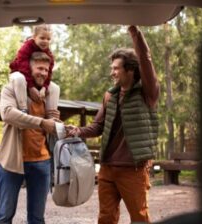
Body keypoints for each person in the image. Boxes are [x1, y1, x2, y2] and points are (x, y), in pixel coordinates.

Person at [67, 25, 160, 223]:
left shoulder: (147, 93)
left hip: (133, 169)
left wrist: (135, 34)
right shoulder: (110, 95)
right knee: (106, 218)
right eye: (112, 69)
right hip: (108, 167)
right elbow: (98, 126)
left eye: (116, 68)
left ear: (130, 70)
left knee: (139, 218)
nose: (112, 73)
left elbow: (146, 60)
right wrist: (78, 131)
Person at [0, 51, 60, 224]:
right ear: (29, 68)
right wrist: (41, 122)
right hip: (12, 161)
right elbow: (8, 114)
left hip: (42, 161)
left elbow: (51, 127)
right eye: (39, 68)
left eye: (46, 70)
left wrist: (57, 123)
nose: (43, 73)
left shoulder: (48, 94)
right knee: (4, 216)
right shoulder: (10, 89)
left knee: (37, 219)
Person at [9, 24, 58, 117]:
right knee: (20, 79)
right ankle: (23, 110)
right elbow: (23, 67)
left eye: (48, 39)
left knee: (55, 88)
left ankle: (52, 117)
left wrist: (44, 88)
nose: (45, 41)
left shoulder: (49, 54)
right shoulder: (26, 48)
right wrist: (31, 87)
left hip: (35, 79)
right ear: (34, 37)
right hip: (19, 73)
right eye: (42, 38)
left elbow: (49, 73)